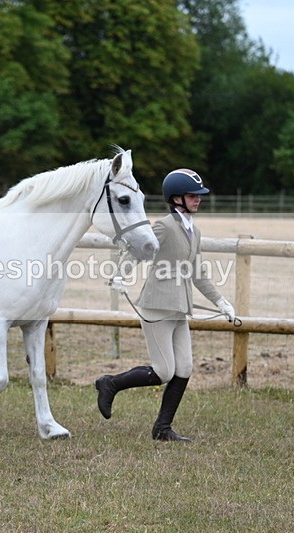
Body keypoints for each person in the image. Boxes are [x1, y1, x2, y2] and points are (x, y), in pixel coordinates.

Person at [95, 168, 235, 442]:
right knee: (163, 371)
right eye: (192, 195)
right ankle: (109, 383)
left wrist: (221, 301)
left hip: (179, 309)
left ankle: (162, 429)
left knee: (184, 368)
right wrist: (121, 274)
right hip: (157, 307)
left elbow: (198, 273)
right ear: (176, 198)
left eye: (198, 195)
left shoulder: (194, 231)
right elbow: (138, 250)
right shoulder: (163, 227)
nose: (198, 199)